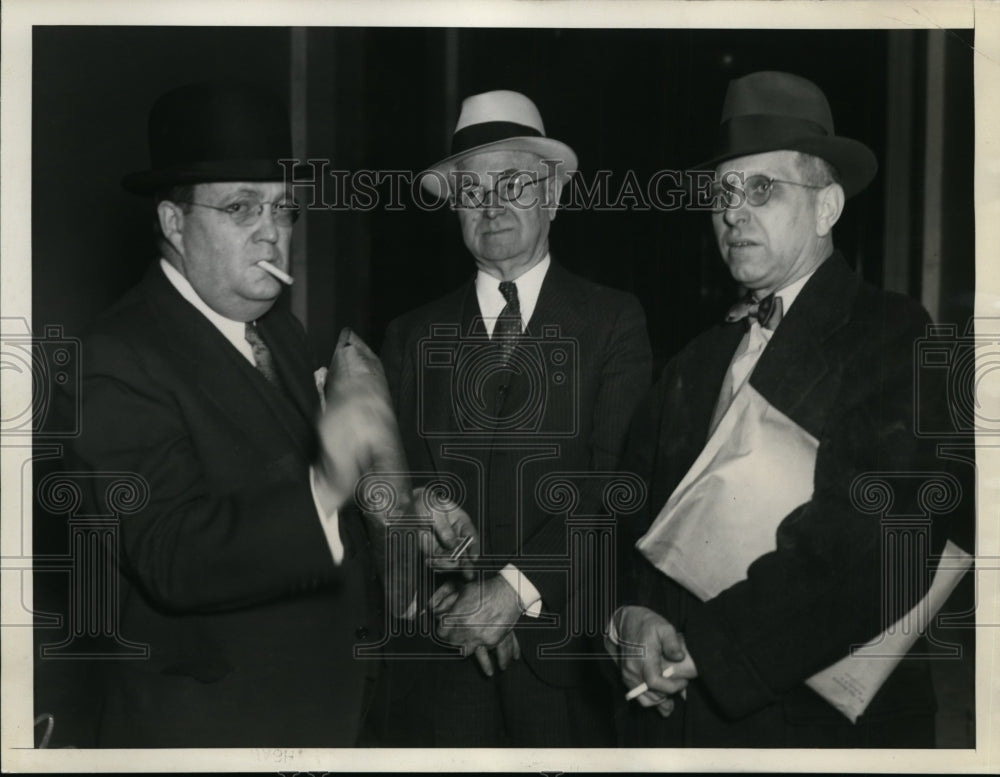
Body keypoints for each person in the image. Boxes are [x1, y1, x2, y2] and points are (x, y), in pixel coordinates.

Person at [67, 82, 473, 747]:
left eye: (283, 210)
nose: (271, 233)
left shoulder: (279, 330)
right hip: (211, 734)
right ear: (173, 223)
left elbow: (294, 480)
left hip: (325, 714)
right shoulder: (112, 359)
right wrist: (331, 478)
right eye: (240, 208)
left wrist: (398, 510)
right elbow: (176, 553)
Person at [608, 71, 968, 747]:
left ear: (828, 206)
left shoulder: (895, 333)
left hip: (819, 735)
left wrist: (709, 648)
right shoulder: (693, 361)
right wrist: (628, 615)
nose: (732, 212)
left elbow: (877, 544)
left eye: (762, 189)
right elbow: (629, 515)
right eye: (722, 193)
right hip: (682, 731)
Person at [378, 90, 653, 746]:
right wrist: (427, 589)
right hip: (440, 673)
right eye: (471, 188)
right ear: (454, 209)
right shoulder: (409, 335)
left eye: (512, 183)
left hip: (563, 669)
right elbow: (389, 495)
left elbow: (614, 485)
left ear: (553, 196)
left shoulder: (613, 321)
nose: (491, 202)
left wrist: (511, 591)